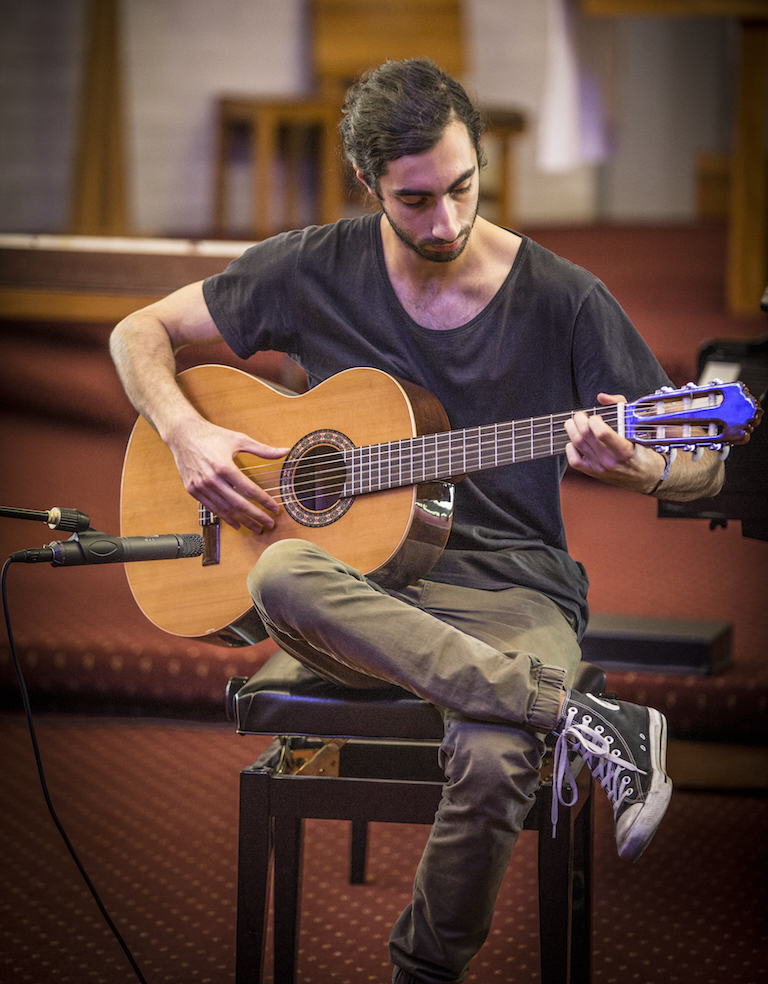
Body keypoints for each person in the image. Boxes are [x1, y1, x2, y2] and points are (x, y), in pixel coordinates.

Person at [110, 58, 725, 984]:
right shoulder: (314, 267)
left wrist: (640, 466)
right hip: (357, 596)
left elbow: (703, 461)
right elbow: (136, 333)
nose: (445, 221)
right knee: (277, 573)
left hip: (512, 589)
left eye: (463, 187)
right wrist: (185, 430)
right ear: (370, 183)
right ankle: (581, 715)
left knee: (494, 755)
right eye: (416, 200)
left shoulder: (564, 298)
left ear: (479, 159)